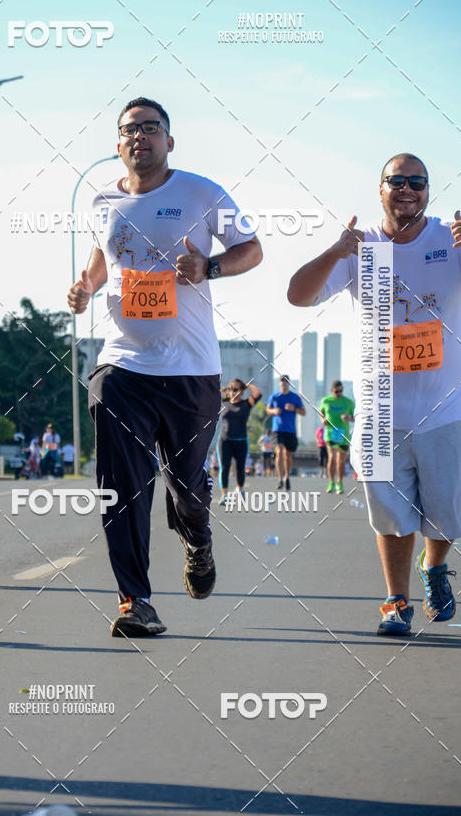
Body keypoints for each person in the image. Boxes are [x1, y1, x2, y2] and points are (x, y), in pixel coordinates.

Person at [67, 97, 262, 637]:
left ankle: (197, 538)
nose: (140, 136)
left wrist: (210, 266)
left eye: (151, 128)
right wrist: (86, 287)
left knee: (186, 485)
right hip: (122, 365)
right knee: (122, 484)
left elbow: (252, 249)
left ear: (169, 141)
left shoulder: (202, 192)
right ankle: (136, 601)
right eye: (130, 129)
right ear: (118, 143)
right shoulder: (101, 200)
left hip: (190, 369)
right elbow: (103, 259)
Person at [288, 152, 461, 636]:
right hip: (380, 411)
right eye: (397, 180)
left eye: (417, 182)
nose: (407, 188)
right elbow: (298, 296)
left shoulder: (450, 239)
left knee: (447, 517)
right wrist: (334, 252)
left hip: (447, 409)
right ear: (380, 188)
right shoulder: (361, 247)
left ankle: (434, 565)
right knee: (390, 516)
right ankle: (396, 601)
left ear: (428, 190)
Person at [217, 379, 262, 505]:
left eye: (235, 389)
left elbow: (258, 393)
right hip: (225, 440)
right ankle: (224, 495)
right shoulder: (223, 402)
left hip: (241, 441)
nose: (232, 391)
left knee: (240, 468)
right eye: (230, 389)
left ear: (241, 391)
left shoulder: (247, 403)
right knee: (224, 467)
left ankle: (240, 489)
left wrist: (247, 385)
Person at [267, 375, 305, 490]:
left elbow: (303, 412)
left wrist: (294, 409)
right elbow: (268, 410)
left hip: (290, 430)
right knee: (279, 452)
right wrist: (274, 411)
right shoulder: (274, 397)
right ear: (279, 383)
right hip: (277, 429)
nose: (284, 383)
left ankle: (287, 477)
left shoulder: (295, 397)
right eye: (282, 381)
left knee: (287, 455)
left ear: (289, 383)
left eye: (286, 381)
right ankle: (280, 479)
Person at [319, 381, 355, 494]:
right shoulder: (326, 401)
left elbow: (356, 417)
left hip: (343, 435)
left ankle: (339, 482)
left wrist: (349, 418)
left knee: (341, 461)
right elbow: (321, 413)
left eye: (341, 391)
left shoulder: (348, 402)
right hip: (331, 433)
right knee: (332, 458)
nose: (339, 393)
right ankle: (331, 482)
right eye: (336, 391)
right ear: (332, 391)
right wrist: (323, 420)